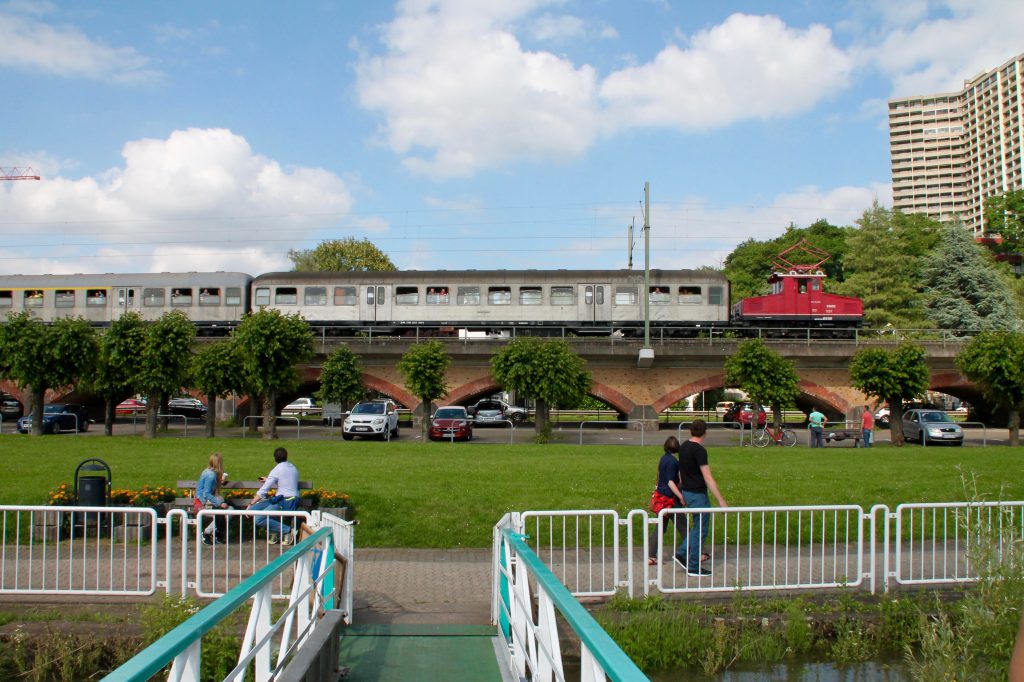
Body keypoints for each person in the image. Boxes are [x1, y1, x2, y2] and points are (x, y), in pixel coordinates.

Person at [674, 420, 727, 577]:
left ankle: (682, 553)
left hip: (688, 493)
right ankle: (693, 566)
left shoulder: (683, 447)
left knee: (697, 528)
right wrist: (721, 501)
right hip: (698, 494)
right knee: (701, 530)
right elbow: (708, 477)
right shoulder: (700, 451)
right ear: (705, 432)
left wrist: (682, 493)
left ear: (691, 431)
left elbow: (680, 473)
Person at [247, 447, 300, 545]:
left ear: (275, 458)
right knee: (253, 510)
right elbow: (285, 481)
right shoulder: (292, 467)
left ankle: (288, 530)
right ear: (286, 456)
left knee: (259, 519)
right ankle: (275, 531)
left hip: (285, 501)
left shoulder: (277, 470)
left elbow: (263, 490)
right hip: (283, 499)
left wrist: (251, 503)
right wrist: (269, 479)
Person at [647, 436, 686, 566]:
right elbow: (670, 482)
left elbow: (659, 478)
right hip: (671, 501)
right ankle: (696, 553)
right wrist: (680, 497)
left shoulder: (663, 459)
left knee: (659, 528)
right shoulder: (673, 462)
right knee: (684, 528)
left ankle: (651, 556)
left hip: (661, 499)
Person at [195, 453, 229, 545]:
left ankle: (215, 533)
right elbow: (207, 493)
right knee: (226, 513)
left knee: (228, 509)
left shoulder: (208, 472)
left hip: (205, 501)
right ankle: (208, 533)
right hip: (203, 503)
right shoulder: (211, 476)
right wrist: (219, 503)